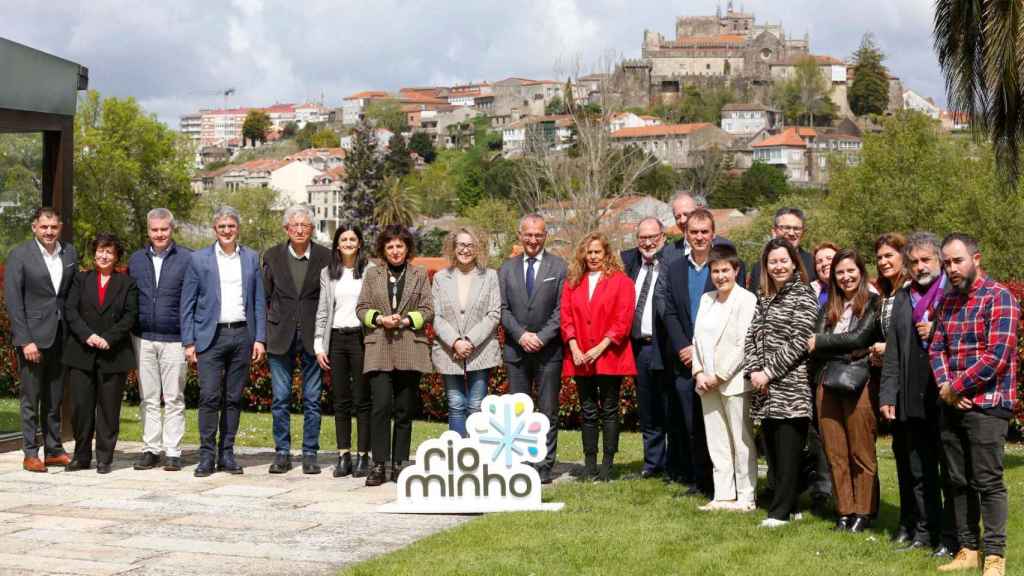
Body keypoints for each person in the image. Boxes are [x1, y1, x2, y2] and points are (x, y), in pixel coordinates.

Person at [930, 234, 1018, 576]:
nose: (951, 268)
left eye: (957, 261)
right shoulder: (947, 302)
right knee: (957, 480)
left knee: (988, 481)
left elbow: (997, 356)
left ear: (976, 258)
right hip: (951, 403)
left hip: (988, 405)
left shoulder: (1001, 298)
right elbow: (937, 349)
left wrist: (956, 386)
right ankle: (968, 549)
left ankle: (995, 556)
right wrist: (944, 386)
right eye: (947, 263)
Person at [181, 206, 267, 477]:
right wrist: (189, 342)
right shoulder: (199, 259)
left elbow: (258, 301)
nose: (227, 231)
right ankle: (206, 456)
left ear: (237, 228)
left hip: (242, 335)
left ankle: (227, 453)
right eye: (222, 227)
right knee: (209, 396)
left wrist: (260, 338)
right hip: (210, 337)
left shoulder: (252, 258)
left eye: (231, 226)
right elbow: (188, 303)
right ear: (214, 229)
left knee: (232, 397)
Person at [879, 232, 950, 554]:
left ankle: (951, 535)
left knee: (950, 473)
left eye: (926, 260)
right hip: (910, 396)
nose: (920, 267)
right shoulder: (904, 298)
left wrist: (937, 331)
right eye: (914, 262)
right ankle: (923, 530)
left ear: (939, 260)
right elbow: (892, 352)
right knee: (916, 471)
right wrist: (887, 396)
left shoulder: (952, 292)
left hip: (945, 396)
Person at [743, 238, 818, 528]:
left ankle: (780, 513)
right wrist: (753, 371)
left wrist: (769, 372)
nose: (778, 266)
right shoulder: (764, 297)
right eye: (772, 262)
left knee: (788, 452)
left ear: (794, 263)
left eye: (783, 261)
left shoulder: (803, 294)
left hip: (790, 388)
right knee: (773, 451)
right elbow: (751, 336)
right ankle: (789, 503)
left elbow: (800, 340)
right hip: (763, 389)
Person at [807, 249, 881, 533]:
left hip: (857, 381)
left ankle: (863, 511)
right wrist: (839, 345)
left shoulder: (873, 302)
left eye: (851, 271)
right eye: (840, 272)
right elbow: (812, 341)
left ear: (861, 272)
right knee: (835, 450)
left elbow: (860, 336)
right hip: (827, 382)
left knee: (861, 450)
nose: (846, 277)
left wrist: (825, 342)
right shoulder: (828, 307)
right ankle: (844, 510)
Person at [356, 224, 433, 487]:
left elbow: (428, 309)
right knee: (380, 408)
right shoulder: (372, 275)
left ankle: (400, 463)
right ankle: (378, 464)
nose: (395, 251)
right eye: (390, 246)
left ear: (407, 248)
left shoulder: (419, 274)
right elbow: (361, 308)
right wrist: (380, 319)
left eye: (400, 246)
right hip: (379, 346)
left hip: (410, 346)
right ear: (383, 250)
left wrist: (406, 320)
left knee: (403, 409)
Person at [3, 207, 77, 472]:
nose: (49, 232)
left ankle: (54, 449)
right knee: (31, 399)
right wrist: (25, 341)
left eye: (53, 227)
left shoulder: (69, 253)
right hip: (33, 339)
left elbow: (69, 295)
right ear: (34, 227)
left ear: (60, 228)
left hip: (61, 336)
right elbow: (14, 302)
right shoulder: (20, 255)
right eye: (44, 227)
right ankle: (30, 453)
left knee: (55, 398)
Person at [560, 232, 636, 481]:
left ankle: (607, 464)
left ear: (606, 254)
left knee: (609, 409)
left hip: (609, 355)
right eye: (589, 252)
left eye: (597, 252)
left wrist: (601, 346)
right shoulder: (573, 282)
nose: (593, 257)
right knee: (588, 410)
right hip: (580, 356)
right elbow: (566, 317)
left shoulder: (622, 282)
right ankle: (589, 463)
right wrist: (574, 347)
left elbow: (623, 320)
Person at [498, 214, 567, 484]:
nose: (533, 240)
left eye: (538, 235)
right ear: (520, 235)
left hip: (548, 351)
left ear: (545, 235)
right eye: (528, 234)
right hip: (516, 351)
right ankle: (522, 461)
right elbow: (502, 309)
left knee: (547, 410)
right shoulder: (506, 269)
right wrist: (521, 334)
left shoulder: (558, 267)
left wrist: (541, 336)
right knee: (519, 411)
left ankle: (544, 463)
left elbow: (562, 310)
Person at [263, 205, 332, 475]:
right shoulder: (272, 256)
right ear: (286, 229)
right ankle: (282, 453)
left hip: (313, 338)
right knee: (280, 398)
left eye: (305, 225)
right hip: (280, 335)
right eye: (295, 225)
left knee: (313, 399)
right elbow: (265, 296)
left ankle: (310, 453)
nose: (300, 229)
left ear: (312, 229)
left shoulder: (326, 257)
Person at [61, 234, 137, 474]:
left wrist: (108, 338)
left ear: (116, 257)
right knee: (81, 407)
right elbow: (70, 311)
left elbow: (130, 315)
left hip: (113, 354)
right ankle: (81, 456)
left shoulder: (127, 283)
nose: (104, 256)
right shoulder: (80, 279)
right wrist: (88, 336)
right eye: (100, 251)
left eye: (109, 252)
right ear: (94, 253)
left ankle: (105, 458)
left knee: (108, 408)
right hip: (81, 352)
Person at [657, 208, 721, 494]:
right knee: (689, 423)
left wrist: (700, 349)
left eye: (704, 232)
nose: (699, 237)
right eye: (693, 232)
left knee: (716, 424)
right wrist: (684, 346)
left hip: (715, 358)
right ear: (686, 234)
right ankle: (699, 480)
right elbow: (669, 312)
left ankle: (723, 480)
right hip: (684, 359)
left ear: (713, 235)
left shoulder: (724, 267)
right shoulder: (675, 268)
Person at [691, 245, 758, 511]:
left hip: (734, 382)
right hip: (705, 382)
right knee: (717, 441)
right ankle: (723, 494)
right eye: (716, 271)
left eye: (725, 270)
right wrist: (698, 373)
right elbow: (696, 339)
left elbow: (743, 344)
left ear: (736, 270)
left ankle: (746, 496)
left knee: (741, 442)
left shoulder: (746, 299)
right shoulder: (706, 299)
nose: (720, 276)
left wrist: (719, 375)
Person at [128, 208, 192, 472]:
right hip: (143, 337)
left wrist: (190, 340)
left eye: (164, 229)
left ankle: (173, 451)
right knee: (149, 397)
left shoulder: (188, 258)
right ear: (148, 231)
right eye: (154, 230)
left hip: (175, 339)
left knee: (174, 397)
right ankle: (151, 448)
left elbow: (192, 301)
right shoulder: (136, 259)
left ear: (171, 229)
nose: (159, 234)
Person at [431, 228, 502, 437]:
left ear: (477, 249)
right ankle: (458, 457)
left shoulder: (490, 276)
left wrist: (470, 341)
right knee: (455, 404)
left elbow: (494, 313)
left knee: (476, 404)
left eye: (470, 245)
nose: (465, 250)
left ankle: (476, 456)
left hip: (480, 350)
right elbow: (436, 315)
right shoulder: (440, 278)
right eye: (461, 245)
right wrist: (455, 342)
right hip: (448, 350)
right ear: (453, 248)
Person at [314, 224, 372, 478]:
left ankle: (363, 456)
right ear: (337, 245)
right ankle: (343, 455)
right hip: (336, 339)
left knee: (362, 399)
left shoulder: (370, 271)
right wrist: (319, 343)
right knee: (340, 401)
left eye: (353, 239)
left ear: (359, 243)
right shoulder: (328, 273)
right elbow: (323, 310)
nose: (348, 243)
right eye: (344, 239)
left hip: (360, 338)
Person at [621, 217, 672, 478]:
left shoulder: (671, 262)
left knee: (668, 405)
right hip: (638, 347)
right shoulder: (631, 264)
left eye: (653, 236)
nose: (648, 242)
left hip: (664, 345)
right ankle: (653, 463)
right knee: (648, 407)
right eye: (642, 238)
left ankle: (673, 462)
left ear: (663, 237)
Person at [747, 207, 818, 293]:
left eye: (796, 229)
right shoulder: (759, 267)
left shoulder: (814, 263)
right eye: (786, 228)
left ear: (803, 233)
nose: (791, 233)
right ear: (774, 231)